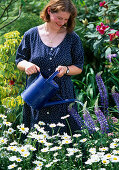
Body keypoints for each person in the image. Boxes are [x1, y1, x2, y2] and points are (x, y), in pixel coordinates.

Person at [16, 0, 84, 135]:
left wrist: (66, 70)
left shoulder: (72, 38)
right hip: (36, 96)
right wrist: (27, 65)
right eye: (59, 18)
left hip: (62, 98)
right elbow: (19, 61)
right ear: (49, 11)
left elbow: (79, 66)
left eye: (66, 19)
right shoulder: (31, 35)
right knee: (35, 138)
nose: (62, 22)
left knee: (64, 138)